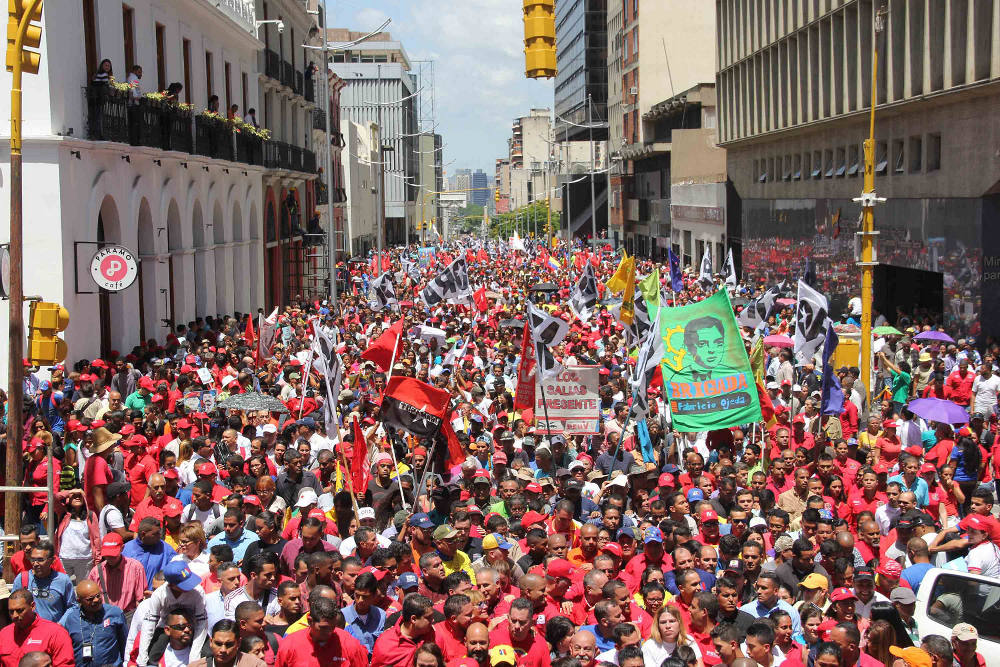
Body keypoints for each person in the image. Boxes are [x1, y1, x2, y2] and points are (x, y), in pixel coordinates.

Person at [0, 590, 75, 667]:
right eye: (11, 611)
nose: (14, 615)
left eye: (20, 610)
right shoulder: (4, 634)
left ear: (32, 606)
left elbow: (64, 664)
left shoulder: (56, 633)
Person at [64, 579, 127, 667]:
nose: (96, 600)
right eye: (90, 599)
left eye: (98, 595)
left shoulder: (115, 613)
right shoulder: (71, 619)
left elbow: (125, 645)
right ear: (79, 601)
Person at [11, 541, 76, 623]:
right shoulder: (22, 579)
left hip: (54, 632)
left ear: (51, 560)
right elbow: (13, 605)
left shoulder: (63, 580)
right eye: (33, 559)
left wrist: (60, 625)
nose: (35, 564)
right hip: (29, 631)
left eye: (40, 560)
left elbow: (72, 607)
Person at [189, 619, 267, 667]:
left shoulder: (256, 665)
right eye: (218, 644)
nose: (223, 650)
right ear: (211, 642)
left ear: (239, 643)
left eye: (229, 645)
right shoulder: (196, 666)